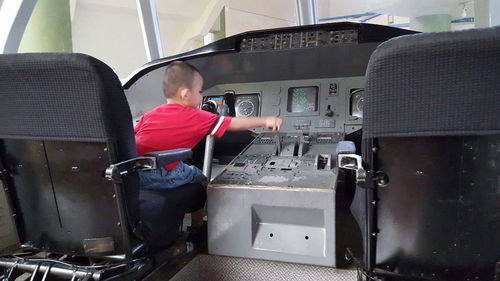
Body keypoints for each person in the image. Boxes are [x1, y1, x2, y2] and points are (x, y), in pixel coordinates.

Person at [134, 61, 282, 237]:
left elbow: (134, 139)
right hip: (161, 173)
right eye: (200, 91)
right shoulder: (195, 116)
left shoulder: (150, 114)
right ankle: (198, 226)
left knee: (186, 167)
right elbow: (232, 123)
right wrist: (266, 121)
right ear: (186, 94)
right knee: (200, 178)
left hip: (135, 174)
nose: (201, 94)